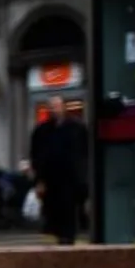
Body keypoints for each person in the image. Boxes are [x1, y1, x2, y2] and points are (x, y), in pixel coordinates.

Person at [29, 95, 90, 245]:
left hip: (71, 178)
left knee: (69, 210)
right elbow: (36, 155)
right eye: (51, 107)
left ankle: (68, 238)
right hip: (50, 179)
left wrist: (83, 177)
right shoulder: (42, 130)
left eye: (57, 106)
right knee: (53, 211)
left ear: (63, 107)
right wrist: (39, 180)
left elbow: (84, 153)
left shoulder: (77, 127)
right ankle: (58, 237)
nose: (54, 110)